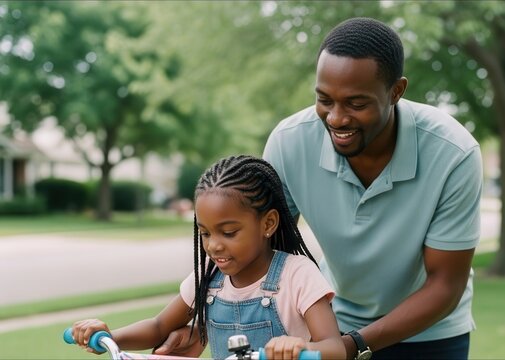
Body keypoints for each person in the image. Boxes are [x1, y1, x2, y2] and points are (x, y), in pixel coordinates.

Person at [160, 17, 482, 360]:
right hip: (331, 326)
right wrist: (207, 322)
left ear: (396, 91)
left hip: (430, 336)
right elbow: (259, 248)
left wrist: (353, 344)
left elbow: (445, 285)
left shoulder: (454, 153)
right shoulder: (290, 142)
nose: (336, 118)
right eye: (325, 99)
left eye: (356, 104)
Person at [69, 155, 345, 360]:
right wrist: (108, 337)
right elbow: (158, 326)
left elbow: (334, 347)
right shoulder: (209, 277)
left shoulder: (296, 274)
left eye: (229, 232)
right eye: (205, 233)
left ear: (268, 224)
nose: (213, 246)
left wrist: (300, 347)